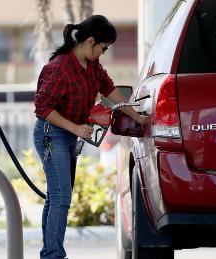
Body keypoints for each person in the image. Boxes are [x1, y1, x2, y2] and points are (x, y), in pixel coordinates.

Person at [33, 15, 146, 259]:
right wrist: (75, 129)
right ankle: (53, 255)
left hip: (69, 136)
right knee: (61, 197)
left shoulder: (93, 66)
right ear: (91, 41)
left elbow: (112, 92)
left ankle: (49, 253)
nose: (103, 53)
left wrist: (138, 117)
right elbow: (42, 108)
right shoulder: (59, 68)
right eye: (103, 48)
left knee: (56, 196)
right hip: (51, 134)